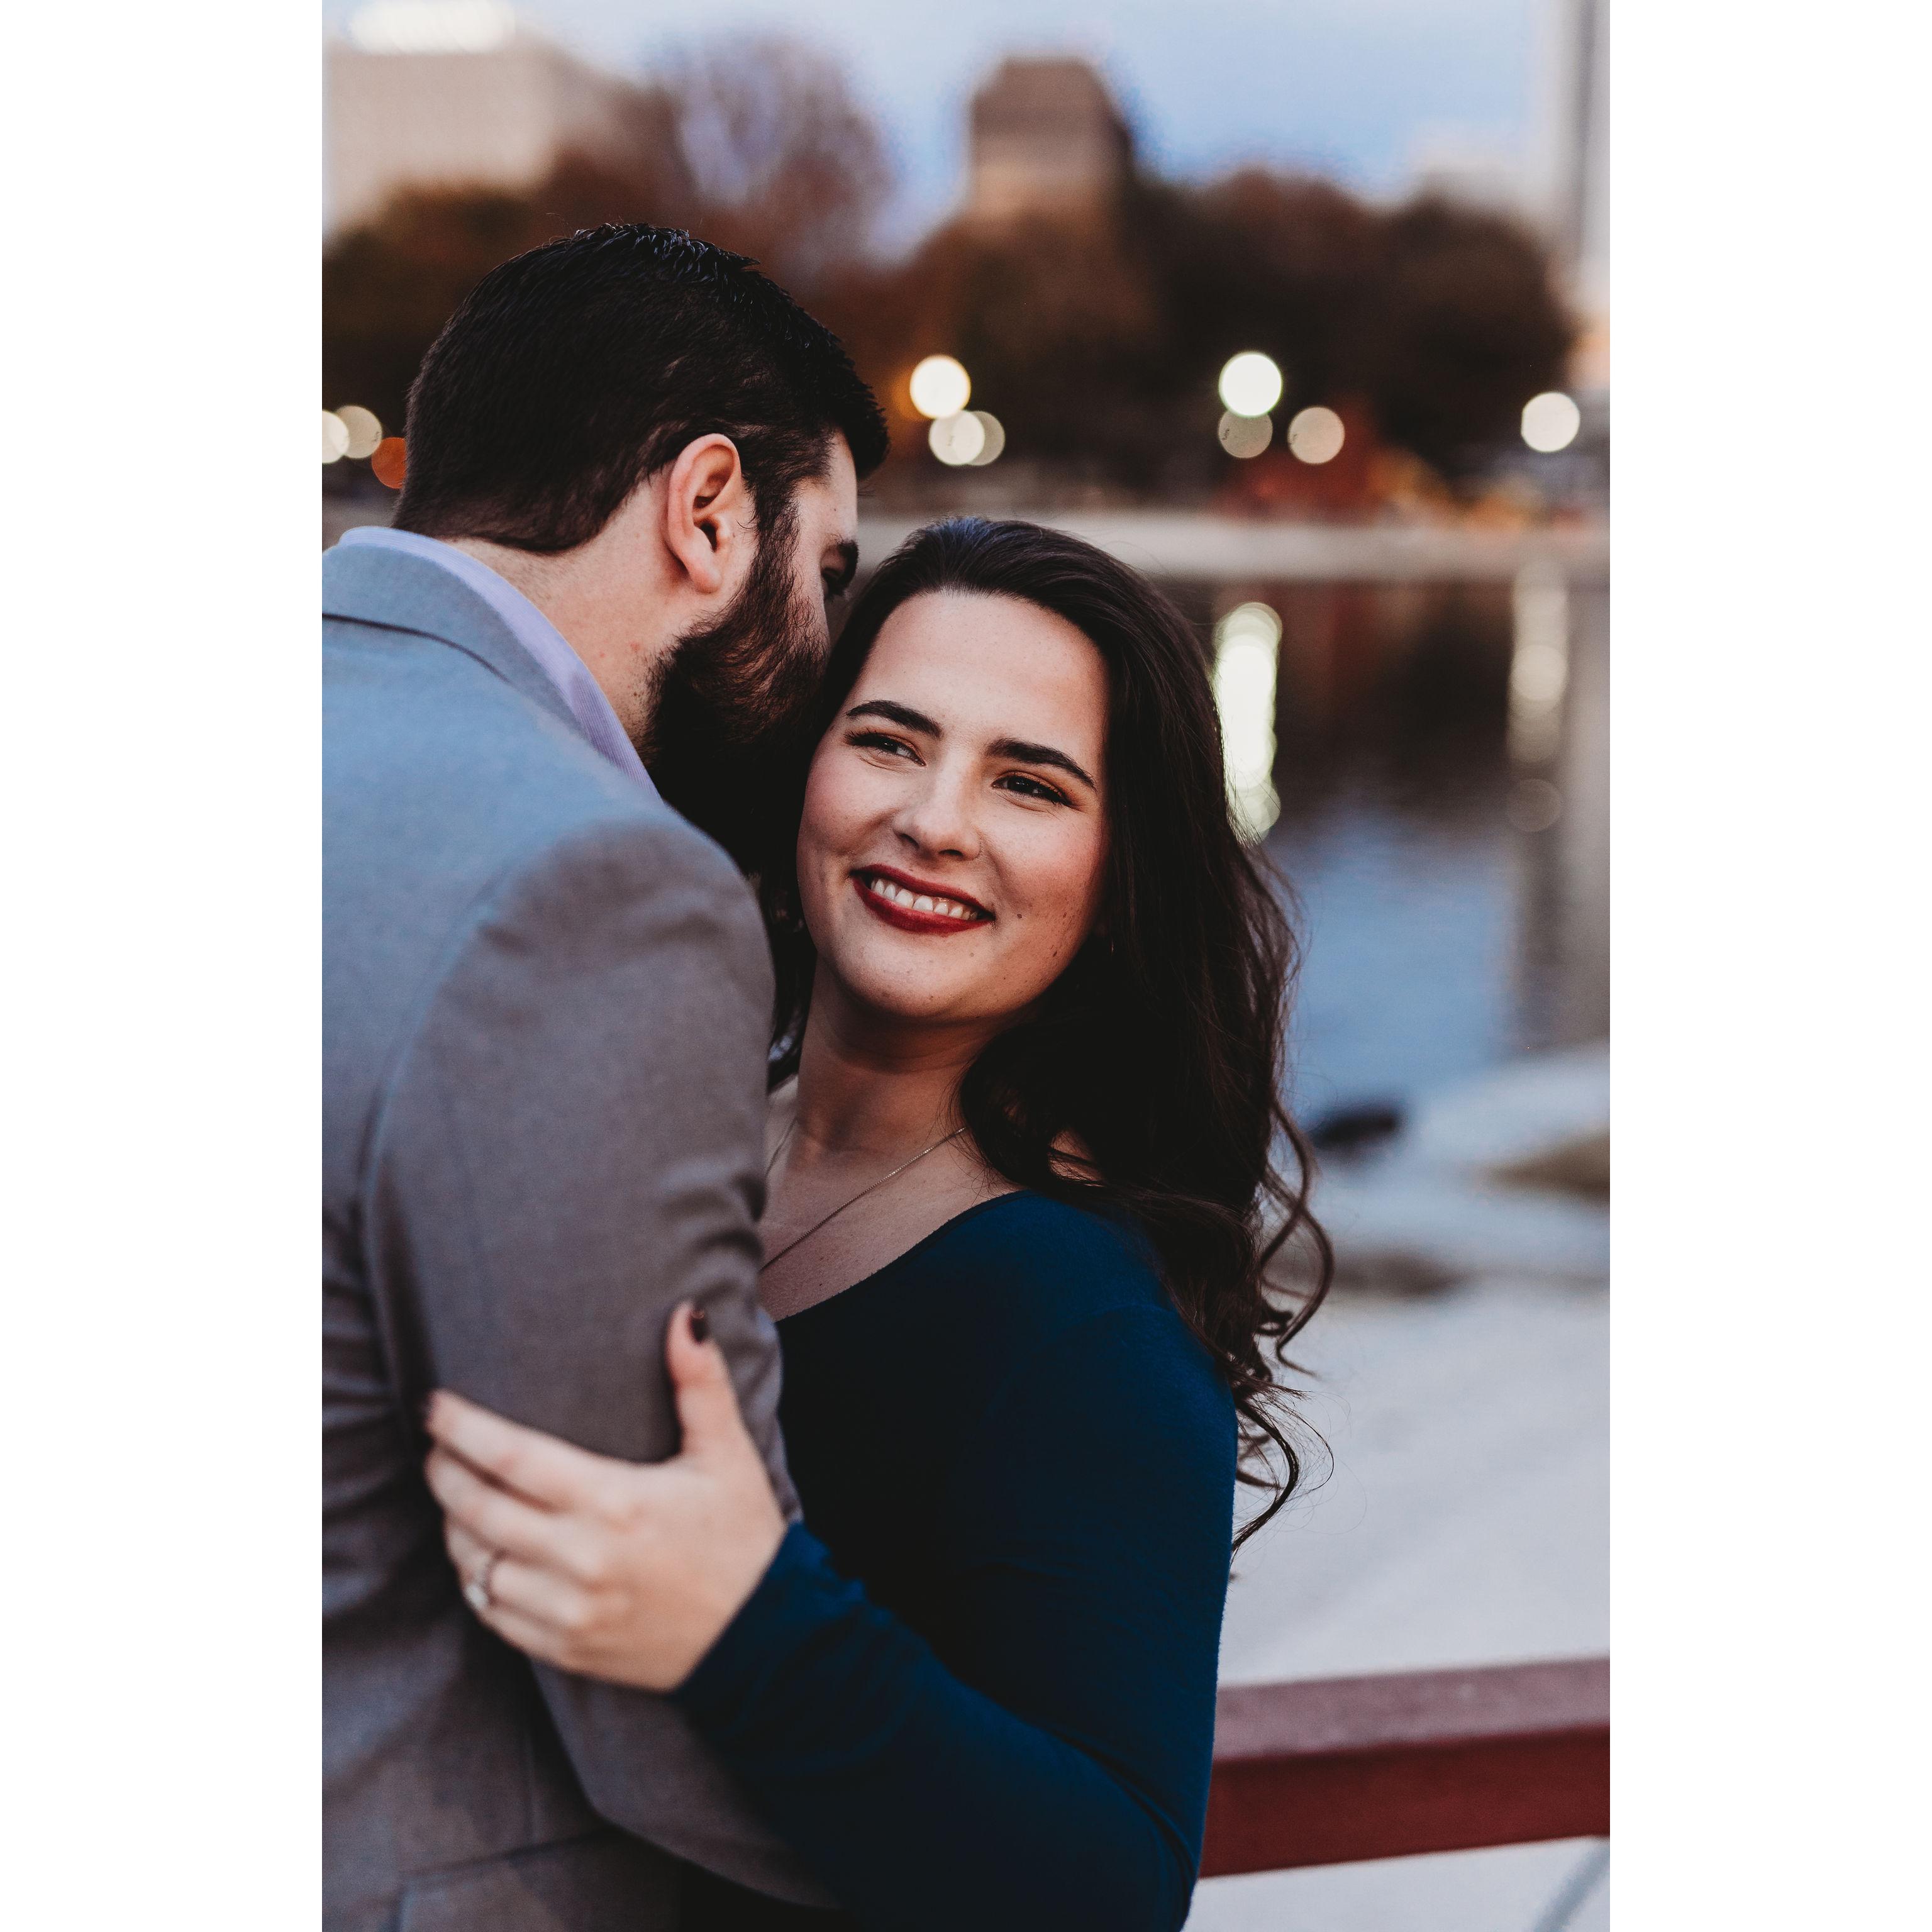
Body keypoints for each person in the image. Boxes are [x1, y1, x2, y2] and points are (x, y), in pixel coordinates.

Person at [421, 519, 1334, 1931]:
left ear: (1117, 876)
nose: (936, 820)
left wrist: (747, 1623)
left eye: (1029, 783)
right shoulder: (671, 1124)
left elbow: (1114, 1885)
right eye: (891, 742)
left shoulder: (1083, 1316)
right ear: (806, 770)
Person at [323, 224, 888, 1931]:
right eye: (830, 572)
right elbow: (652, 1670)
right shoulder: (593, 887)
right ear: (709, 513)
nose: (833, 658)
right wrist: (1009, 1855)